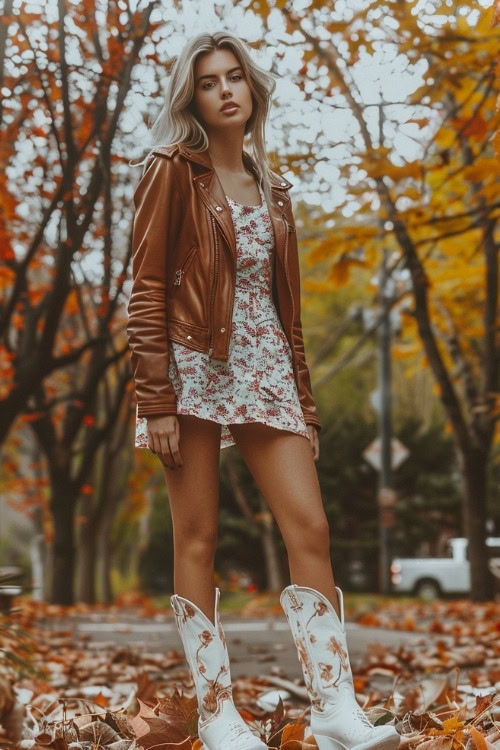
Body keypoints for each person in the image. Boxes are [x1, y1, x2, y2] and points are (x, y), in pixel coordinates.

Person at [127, 31, 401, 750]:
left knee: (310, 527)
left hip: (266, 369)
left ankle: (335, 706)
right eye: (210, 81)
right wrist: (153, 398)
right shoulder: (169, 172)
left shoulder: (272, 187)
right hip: (190, 369)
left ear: (252, 91)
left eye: (235, 78)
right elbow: (147, 290)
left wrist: (304, 404)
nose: (225, 90)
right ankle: (219, 715)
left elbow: (288, 310)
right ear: (193, 96)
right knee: (200, 536)